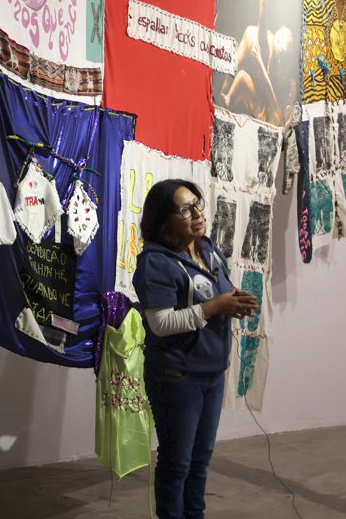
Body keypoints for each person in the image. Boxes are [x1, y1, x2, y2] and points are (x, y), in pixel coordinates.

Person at [133, 179, 259, 518]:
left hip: (212, 375)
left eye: (197, 204)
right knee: (177, 464)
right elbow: (161, 323)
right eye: (186, 209)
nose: (198, 213)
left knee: (200, 461)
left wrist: (234, 300)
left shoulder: (207, 249)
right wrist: (216, 306)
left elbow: (214, 292)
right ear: (164, 219)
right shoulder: (155, 263)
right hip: (177, 377)